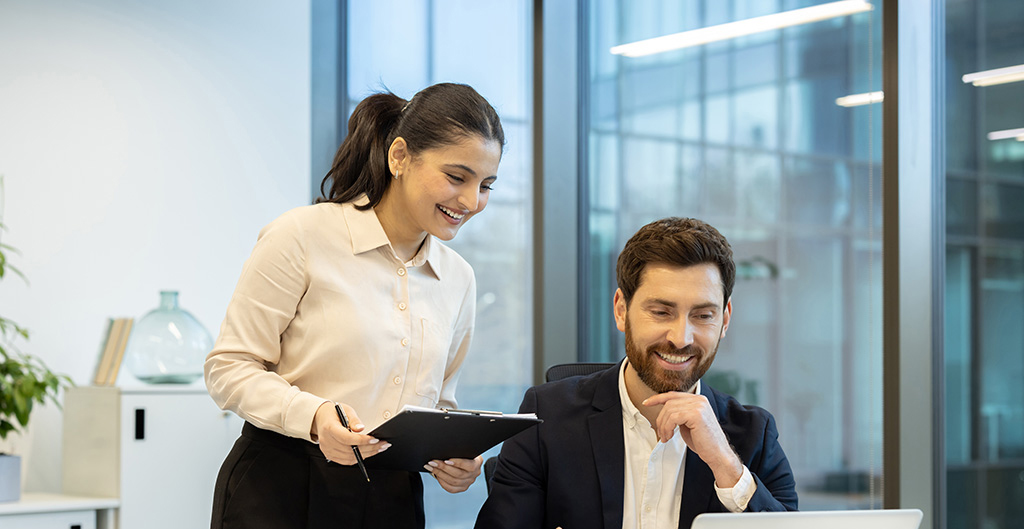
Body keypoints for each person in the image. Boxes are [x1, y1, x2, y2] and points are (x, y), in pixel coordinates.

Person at [205, 82, 505, 529]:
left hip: (393, 496)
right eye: (456, 177)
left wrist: (454, 456)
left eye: (486, 185)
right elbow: (229, 367)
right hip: (283, 488)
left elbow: (438, 400)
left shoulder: (458, 278)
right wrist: (314, 416)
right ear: (399, 157)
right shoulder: (301, 236)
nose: (471, 201)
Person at [476, 217, 798, 529]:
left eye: (702, 315)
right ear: (621, 310)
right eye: (661, 312)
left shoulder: (754, 435)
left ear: (724, 320)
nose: (681, 338)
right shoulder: (547, 417)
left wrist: (726, 465)